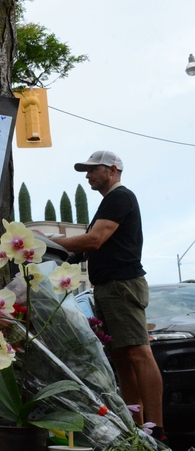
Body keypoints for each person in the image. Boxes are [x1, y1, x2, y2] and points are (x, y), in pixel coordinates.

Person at [49, 151, 165, 443]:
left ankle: (158, 429)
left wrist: (48, 242)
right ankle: (137, 429)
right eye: (85, 171)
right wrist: (58, 256)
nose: (87, 175)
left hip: (121, 285)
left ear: (112, 170)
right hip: (107, 288)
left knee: (138, 353)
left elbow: (94, 240)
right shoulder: (108, 202)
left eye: (92, 170)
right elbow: (86, 249)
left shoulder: (120, 197)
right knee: (122, 358)